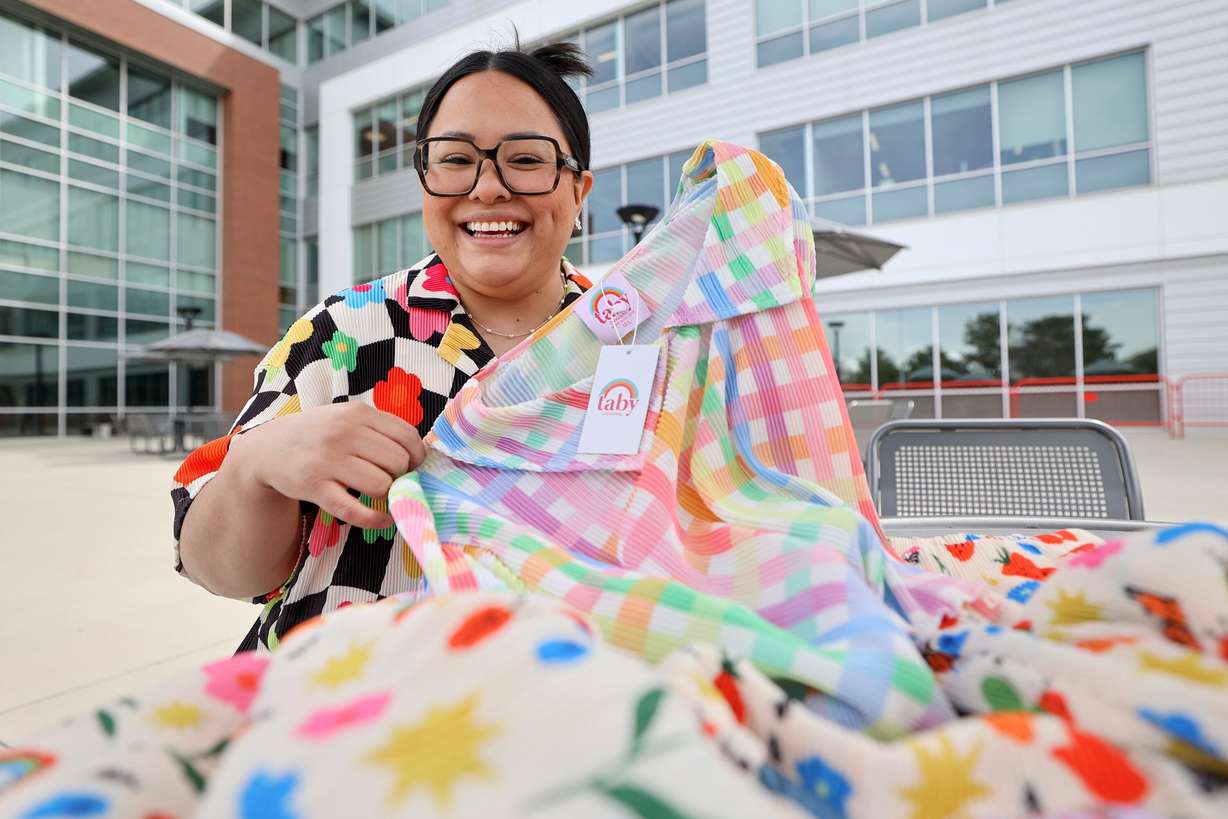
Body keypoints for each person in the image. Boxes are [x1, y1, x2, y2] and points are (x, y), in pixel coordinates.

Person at [171, 42, 596, 651]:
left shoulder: (636, 343)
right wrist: (255, 469)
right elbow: (222, 571)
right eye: (455, 159)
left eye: (526, 159)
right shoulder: (342, 332)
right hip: (334, 719)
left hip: (566, 721)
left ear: (578, 190)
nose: (488, 187)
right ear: (424, 180)